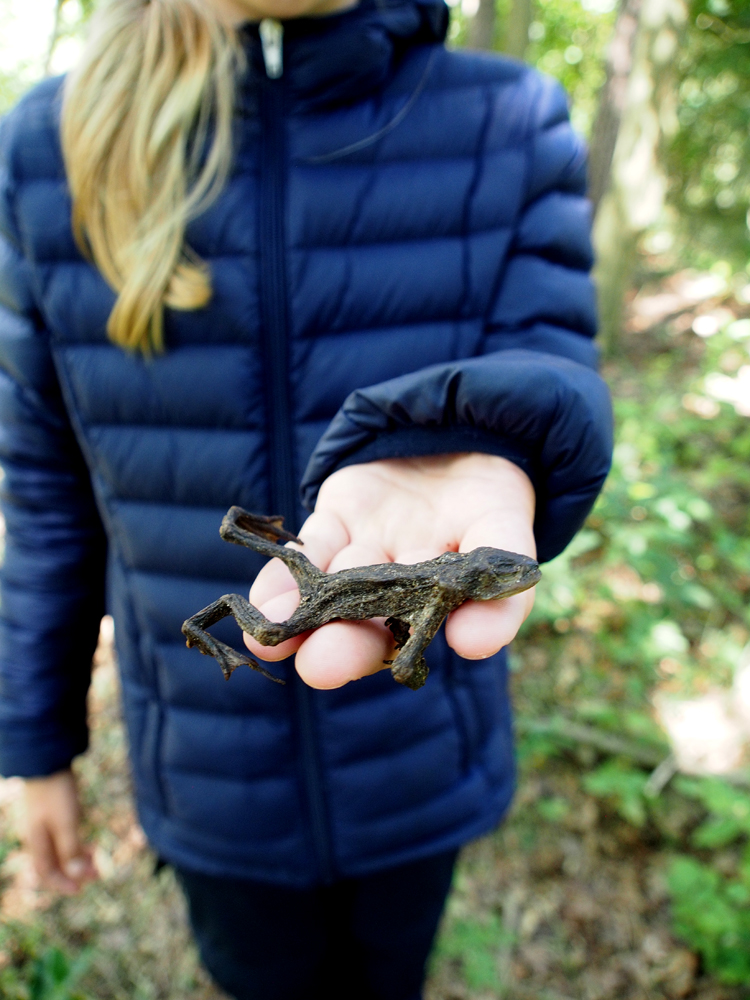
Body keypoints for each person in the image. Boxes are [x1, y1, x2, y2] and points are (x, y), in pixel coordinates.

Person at [0, 0, 612, 996]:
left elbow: (554, 360)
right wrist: (36, 744)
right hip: (207, 775)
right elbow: (45, 494)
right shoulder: (44, 148)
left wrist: (504, 440)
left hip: (415, 773)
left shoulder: (513, 116)